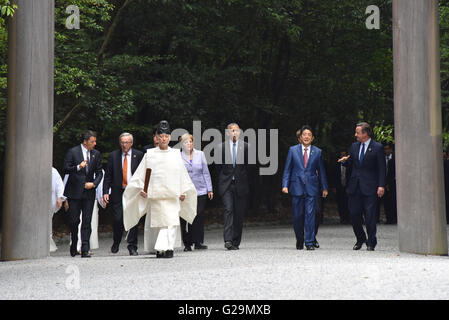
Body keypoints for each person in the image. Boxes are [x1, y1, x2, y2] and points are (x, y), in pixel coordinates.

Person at [123, 120, 197, 258]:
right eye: (161, 136)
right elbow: (141, 174)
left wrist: (183, 191)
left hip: (172, 194)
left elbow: (181, 174)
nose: (163, 139)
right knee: (159, 223)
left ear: (169, 137)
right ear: (156, 138)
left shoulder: (176, 154)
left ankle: (168, 247)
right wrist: (141, 189)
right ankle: (160, 248)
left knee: (171, 222)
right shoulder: (150, 154)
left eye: (166, 136)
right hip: (155, 195)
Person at [338, 122, 386, 251]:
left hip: (370, 186)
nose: (355, 135)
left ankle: (371, 241)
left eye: (357, 132)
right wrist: (345, 162)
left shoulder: (377, 147)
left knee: (370, 215)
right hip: (355, 186)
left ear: (365, 133)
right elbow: (352, 163)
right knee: (354, 214)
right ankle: (360, 238)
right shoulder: (354, 146)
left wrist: (381, 185)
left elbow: (382, 168)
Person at [282, 125, 328, 250]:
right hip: (296, 186)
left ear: (312, 138)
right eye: (304, 134)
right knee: (297, 216)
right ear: (300, 137)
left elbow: (321, 171)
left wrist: (324, 187)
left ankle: (309, 242)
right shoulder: (292, 150)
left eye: (309, 135)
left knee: (310, 214)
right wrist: (285, 185)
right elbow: (287, 169)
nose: (306, 136)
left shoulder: (317, 152)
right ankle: (300, 239)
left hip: (312, 188)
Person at [63, 130, 103, 258]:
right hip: (74, 192)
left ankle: (85, 247)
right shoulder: (73, 152)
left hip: (88, 192)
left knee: (87, 221)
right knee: (74, 221)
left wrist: (94, 183)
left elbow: (100, 172)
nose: (95, 144)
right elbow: (66, 168)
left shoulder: (96, 154)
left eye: (95, 141)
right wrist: (78, 167)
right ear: (85, 142)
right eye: (92, 142)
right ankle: (74, 243)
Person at [103, 133, 144, 256]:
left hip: (133, 191)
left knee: (133, 219)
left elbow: (143, 174)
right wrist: (106, 191)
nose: (124, 145)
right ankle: (116, 241)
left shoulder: (139, 155)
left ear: (131, 143)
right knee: (118, 219)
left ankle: (132, 246)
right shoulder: (113, 156)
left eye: (127, 142)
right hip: (118, 191)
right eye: (122, 142)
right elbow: (108, 176)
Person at [216, 123, 250, 250]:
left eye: (236, 130)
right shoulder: (221, 147)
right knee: (228, 209)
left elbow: (249, 167)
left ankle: (236, 240)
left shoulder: (246, 147)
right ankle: (228, 240)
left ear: (240, 132)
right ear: (227, 133)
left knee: (239, 213)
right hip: (226, 184)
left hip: (240, 184)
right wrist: (221, 181)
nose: (234, 133)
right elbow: (217, 167)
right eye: (232, 130)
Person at [179, 133, 213, 251]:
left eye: (190, 141)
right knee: (185, 217)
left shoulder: (200, 154)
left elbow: (205, 172)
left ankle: (198, 241)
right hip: (185, 191)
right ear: (182, 144)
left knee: (198, 215)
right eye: (186, 142)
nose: (189, 144)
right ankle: (187, 243)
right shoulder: (178, 156)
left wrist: (209, 189)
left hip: (200, 189)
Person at [63, 171, 103, 253]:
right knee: (75, 222)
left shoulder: (96, 166)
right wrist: (65, 198)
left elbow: (100, 183)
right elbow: (67, 180)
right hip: (74, 197)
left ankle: (85, 247)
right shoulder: (75, 165)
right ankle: (75, 245)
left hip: (90, 198)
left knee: (88, 223)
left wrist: (101, 198)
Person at [50, 167, 65, 253]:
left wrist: (59, 197)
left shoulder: (53, 171)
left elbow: (59, 184)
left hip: (50, 198)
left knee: (48, 221)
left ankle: (48, 243)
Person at [334, 151, 351, 224]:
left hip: (347, 186)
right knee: (340, 203)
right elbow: (334, 176)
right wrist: (334, 187)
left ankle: (348, 218)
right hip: (339, 187)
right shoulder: (336, 165)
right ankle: (342, 218)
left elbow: (351, 177)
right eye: (342, 155)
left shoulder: (350, 165)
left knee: (348, 203)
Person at [383, 143, 397, 224]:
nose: (386, 151)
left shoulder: (394, 159)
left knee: (393, 201)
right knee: (386, 202)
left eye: (388, 149)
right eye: (385, 149)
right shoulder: (383, 159)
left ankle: (394, 218)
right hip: (385, 183)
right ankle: (389, 218)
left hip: (393, 182)